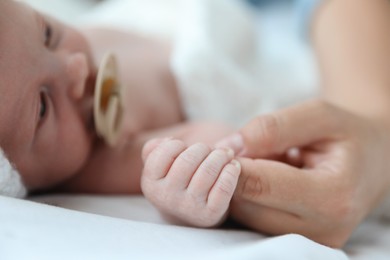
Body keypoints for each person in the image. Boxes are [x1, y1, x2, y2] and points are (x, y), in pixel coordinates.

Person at [0, 0, 242, 229]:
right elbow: (219, 143)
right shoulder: (102, 160)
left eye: (48, 34)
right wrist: (183, 192)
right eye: (43, 106)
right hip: (220, 65)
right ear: (17, 176)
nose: (77, 66)